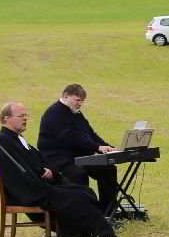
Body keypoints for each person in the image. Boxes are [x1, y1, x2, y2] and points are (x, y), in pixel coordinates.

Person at [0, 102, 127, 237]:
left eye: (26, 115)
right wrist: (41, 172)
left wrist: (50, 172)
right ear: (5, 119)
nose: (25, 118)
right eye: (21, 116)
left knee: (84, 192)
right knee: (78, 196)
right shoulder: (2, 142)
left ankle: (85, 235)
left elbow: (39, 161)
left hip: (40, 186)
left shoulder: (15, 139)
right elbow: (19, 172)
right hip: (32, 193)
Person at [37, 83, 118, 212]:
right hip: (58, 159)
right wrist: (97, 147)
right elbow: (70, 138)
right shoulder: (54, 113)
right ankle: (86, 213)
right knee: (78, 174)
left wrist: (107, 147)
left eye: (82, 101)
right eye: (77, 100)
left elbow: (90, 133)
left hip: (77, 158)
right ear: (65, 96)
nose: (80, 104)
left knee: (108, 169)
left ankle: (107, 210)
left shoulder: (75, 113)